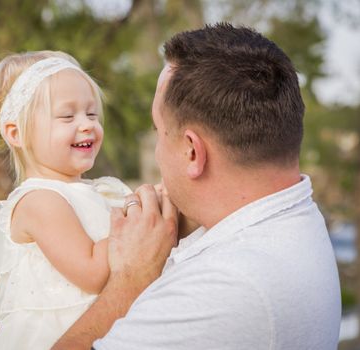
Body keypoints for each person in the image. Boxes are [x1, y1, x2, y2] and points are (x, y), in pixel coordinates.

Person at [53, 23, 341, 350]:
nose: (159, 153)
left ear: (192, 151)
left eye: (159, 131)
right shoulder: (293, 215)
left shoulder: (224, 288)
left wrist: (131, 279)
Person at [0, 51, 133, 349]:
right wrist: (137, 220)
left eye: (91, 113)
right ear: (16, 133)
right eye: (67, 116)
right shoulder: (40, 201)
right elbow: (93, 273)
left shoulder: (102, 190)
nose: (86, 124)